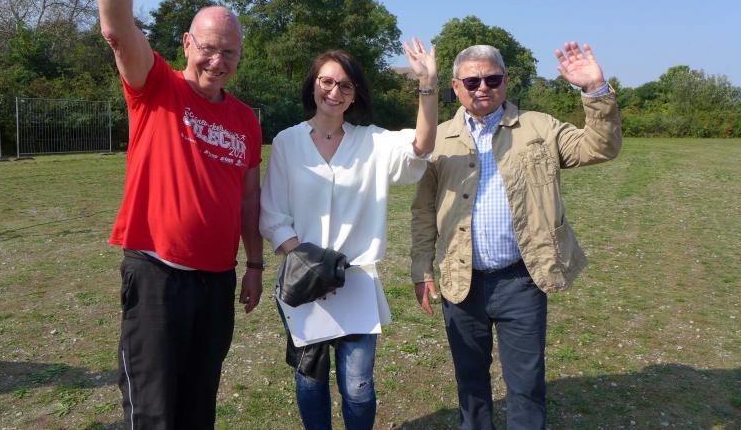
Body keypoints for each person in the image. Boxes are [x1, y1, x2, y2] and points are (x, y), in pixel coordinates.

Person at [88, 0, 264, 427]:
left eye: (229, 52)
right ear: (187, 43)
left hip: (217, 282)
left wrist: (255, 266)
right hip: (157, 276)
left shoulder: (246, 120)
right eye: (208, 48)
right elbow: (117, 27)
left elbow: (249, 198)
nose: (218, 61)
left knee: (198, 408)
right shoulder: (156, 87)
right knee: (154, 412)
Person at [411, 42, 622, 429]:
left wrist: (594, 89)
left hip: (522, 279)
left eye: (492, 79)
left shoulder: (541, 127)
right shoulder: (435, 140)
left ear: (505, 82)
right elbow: (423, 211)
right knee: (470, 381)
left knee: (526, 384)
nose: (482, 87)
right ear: (456, 87)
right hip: (461, 280)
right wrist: (421, 269)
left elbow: (602, 147)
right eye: (472, 81)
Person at [260, 40, 439, 429]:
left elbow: (421, 147)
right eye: (327, 81)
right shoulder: (288, 142)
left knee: (358, 387)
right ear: (313, 85)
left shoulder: (372, 141)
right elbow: (273, 214)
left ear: (355, 94)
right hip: (304, 282)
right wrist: (310, 266)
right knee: (310, 381)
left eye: (345, 85)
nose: (334, 91)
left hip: (356, 282)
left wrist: (427, 85)